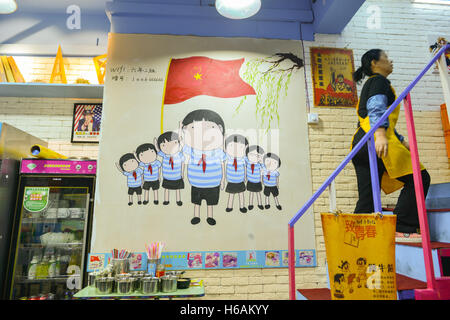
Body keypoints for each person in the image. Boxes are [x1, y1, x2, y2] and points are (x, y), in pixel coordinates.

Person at [351, 49, 431, 243]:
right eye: (386, 57)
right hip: (374, 141)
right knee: (420, 177)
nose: (390, 60)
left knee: (368, 197)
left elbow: (381, 117)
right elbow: (375, 108)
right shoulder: (379, 81)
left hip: (360, 145)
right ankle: (403, 225)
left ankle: (356, 239)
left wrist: (402, 140)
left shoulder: (372, 83)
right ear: (374, 63)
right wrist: (380, 135)